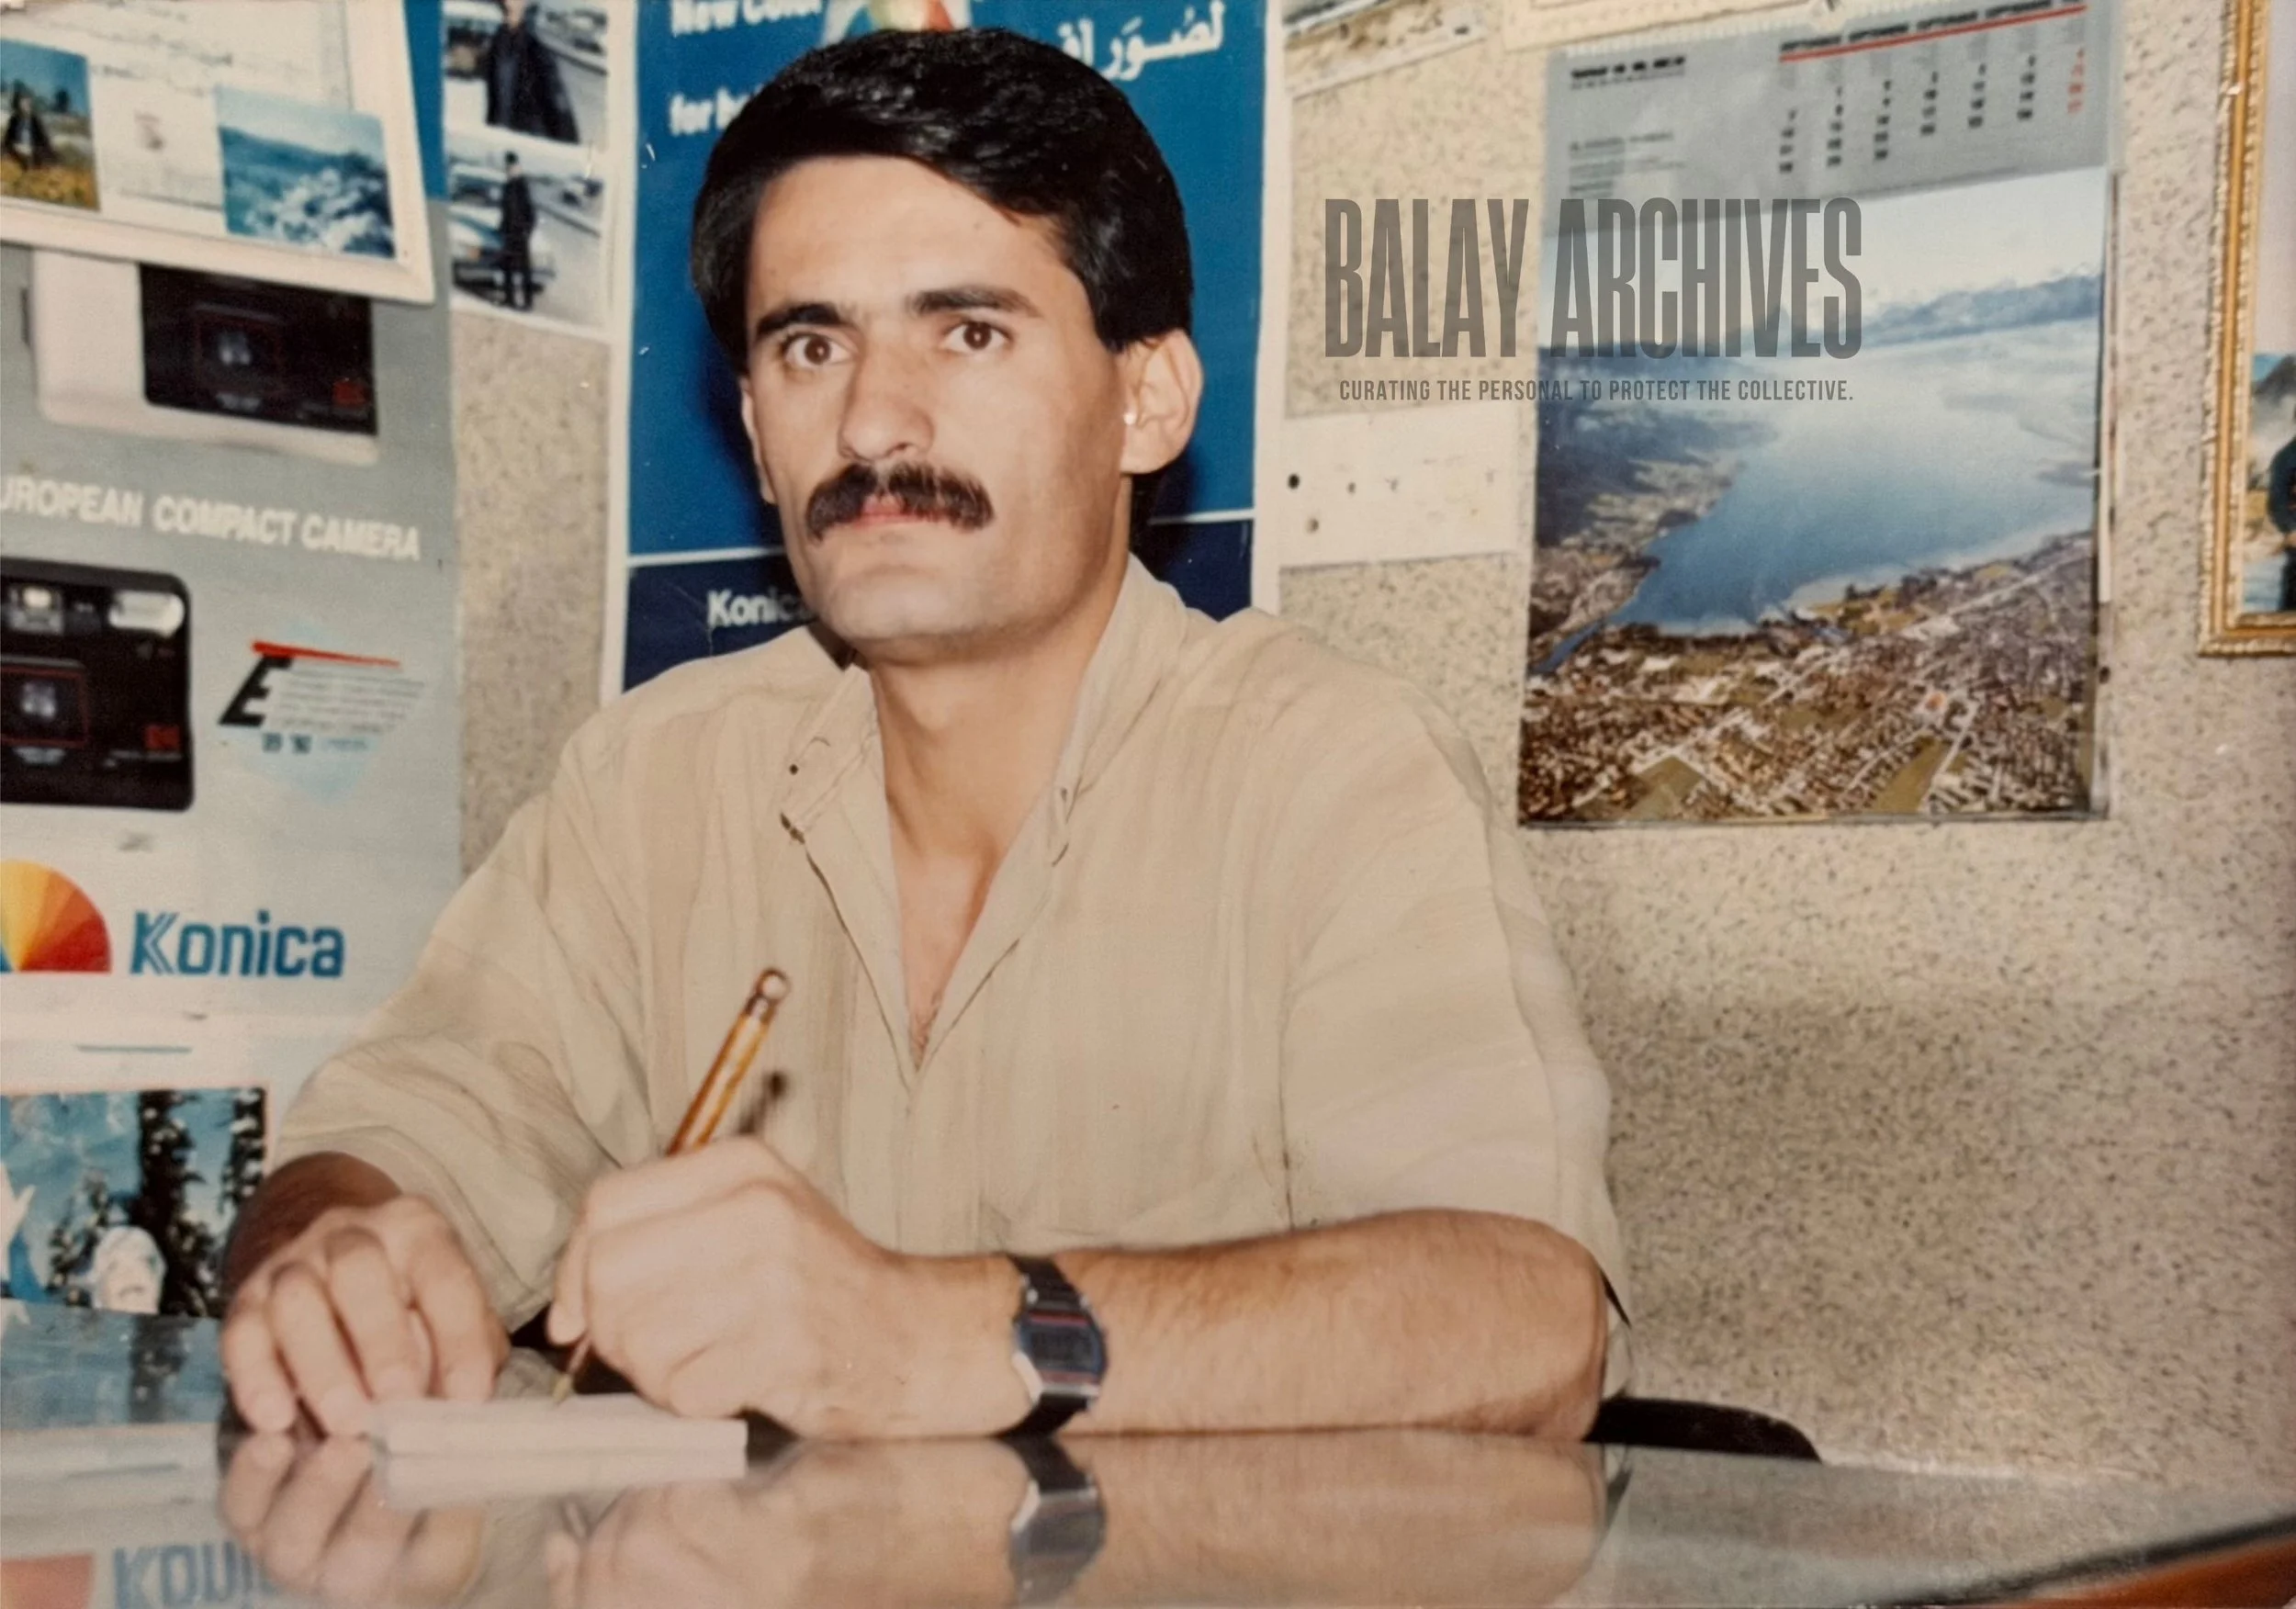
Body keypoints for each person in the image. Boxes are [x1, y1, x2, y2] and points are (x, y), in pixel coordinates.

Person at [220, 28, 1629, 1445]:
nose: (874, 420)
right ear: (760, 438)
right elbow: (383, 1146)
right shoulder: (649, 785)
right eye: (812, 343)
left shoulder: (1334, 773)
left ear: (1146, 399)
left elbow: (1525, 1317)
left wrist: (941, 1333)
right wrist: (330, 1254)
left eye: (968, 331)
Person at [480, 0, 578, 145]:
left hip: (532, 141)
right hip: (504, 137)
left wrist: (569, 146)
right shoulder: (498, 43)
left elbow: (556, 102)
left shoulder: (536, 47)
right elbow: (494, 98)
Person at [496, 151, 537, 311]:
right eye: (507, 166)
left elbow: (531, 211)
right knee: (508, 268)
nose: (508, 169)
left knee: (524, 270)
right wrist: (501, 227)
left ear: (517, 167)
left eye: (511, 166)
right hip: (509, 233)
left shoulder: (522, 185)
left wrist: (527, 231)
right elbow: (505, 210)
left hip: (520, 234)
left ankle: (528, 303)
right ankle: (509, 300)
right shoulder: (507, 186)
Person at [3, 87, 57, 172]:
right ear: (17, 104)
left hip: (34, 157)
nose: (26, 104)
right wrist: (15, 147)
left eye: (28, 102)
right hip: (16, 155)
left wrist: (31, 150)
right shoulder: (14, 120)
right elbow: (6, 142)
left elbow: (46, 145)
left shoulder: (36, 121)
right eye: (23, 102)